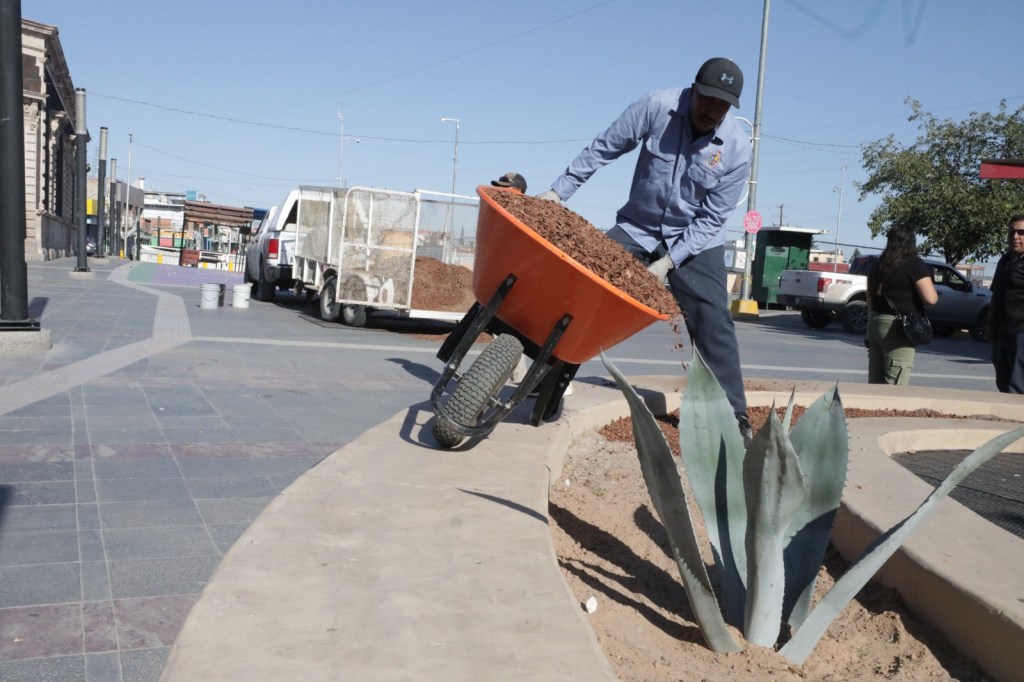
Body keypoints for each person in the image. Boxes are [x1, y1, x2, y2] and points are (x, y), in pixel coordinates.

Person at [535, 57, 753, 439]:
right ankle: (548, 380)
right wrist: (559, 191)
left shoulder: (736, 149)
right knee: (585, 292)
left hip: (695, 242)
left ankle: (732, 417)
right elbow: (604, 147)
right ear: (694, 88)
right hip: (638, 227)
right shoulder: (655, 106)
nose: (712, 110)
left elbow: (712, 219)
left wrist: (669, 261)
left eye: (723, 105)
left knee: (713, 319)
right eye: (708, 99)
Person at [864, 224, 938, 385]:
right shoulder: (914, 264)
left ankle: (874, 411)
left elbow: (870, 300)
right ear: (911, 242)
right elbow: (931, 299)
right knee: (894, 385)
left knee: (875, 383)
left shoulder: (877, 264)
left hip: (875, 323)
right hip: (897, 328)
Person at [987, 214, 1024, 393]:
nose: (1015, 236)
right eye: (1012, 232)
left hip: (1021, 333)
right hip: (1001, 332)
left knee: (1017, 386)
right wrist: (990, 325)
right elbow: (996, 295)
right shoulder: (1005, 259)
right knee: (1003, 383)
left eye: (1021, 232)